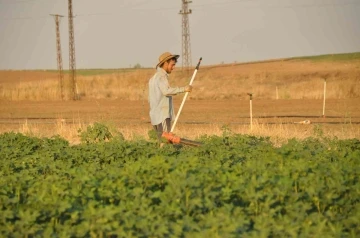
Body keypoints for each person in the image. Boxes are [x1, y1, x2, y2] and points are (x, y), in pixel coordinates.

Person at [148, 52, 192, 145]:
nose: (173, 67)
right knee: (165, 142)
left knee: (161, 142)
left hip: (155, 116)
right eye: (172, 65)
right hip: (162, 115)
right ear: (165, 63)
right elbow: (166, 91)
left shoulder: (153, 78)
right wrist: (184, 89)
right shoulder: (161, 76)